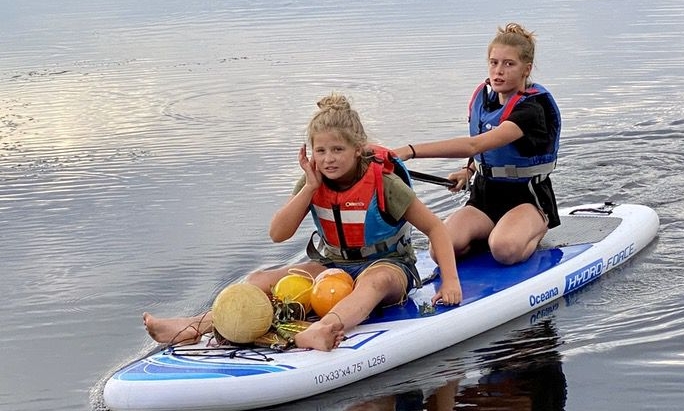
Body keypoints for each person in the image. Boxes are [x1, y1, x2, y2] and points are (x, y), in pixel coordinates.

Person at [143, 93, 462, 351]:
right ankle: (193, 326)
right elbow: (277, 234)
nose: (328, 159)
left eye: (338, 149)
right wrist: (309, 188)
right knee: (258, 280)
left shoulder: (386, 185)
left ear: (358, 149)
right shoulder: (313, 181)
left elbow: (435, 228)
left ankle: (324, 329)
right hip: (332, 266)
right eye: (320, 150)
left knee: (372, 283)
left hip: (389, 267)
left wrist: (449, 282)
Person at [392, 23, 562, 266]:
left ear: (527, 69)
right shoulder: (486, 102)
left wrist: (410, 151)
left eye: (509, 64)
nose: (499, 71)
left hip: (527, 198)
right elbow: (484, 150)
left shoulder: (531, 110)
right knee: (440, 249)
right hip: (484, 196)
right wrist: (469, 170)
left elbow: (474, 145)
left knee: (504, 250)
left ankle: (529, 232)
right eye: (494, 63)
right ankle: (492, 232)